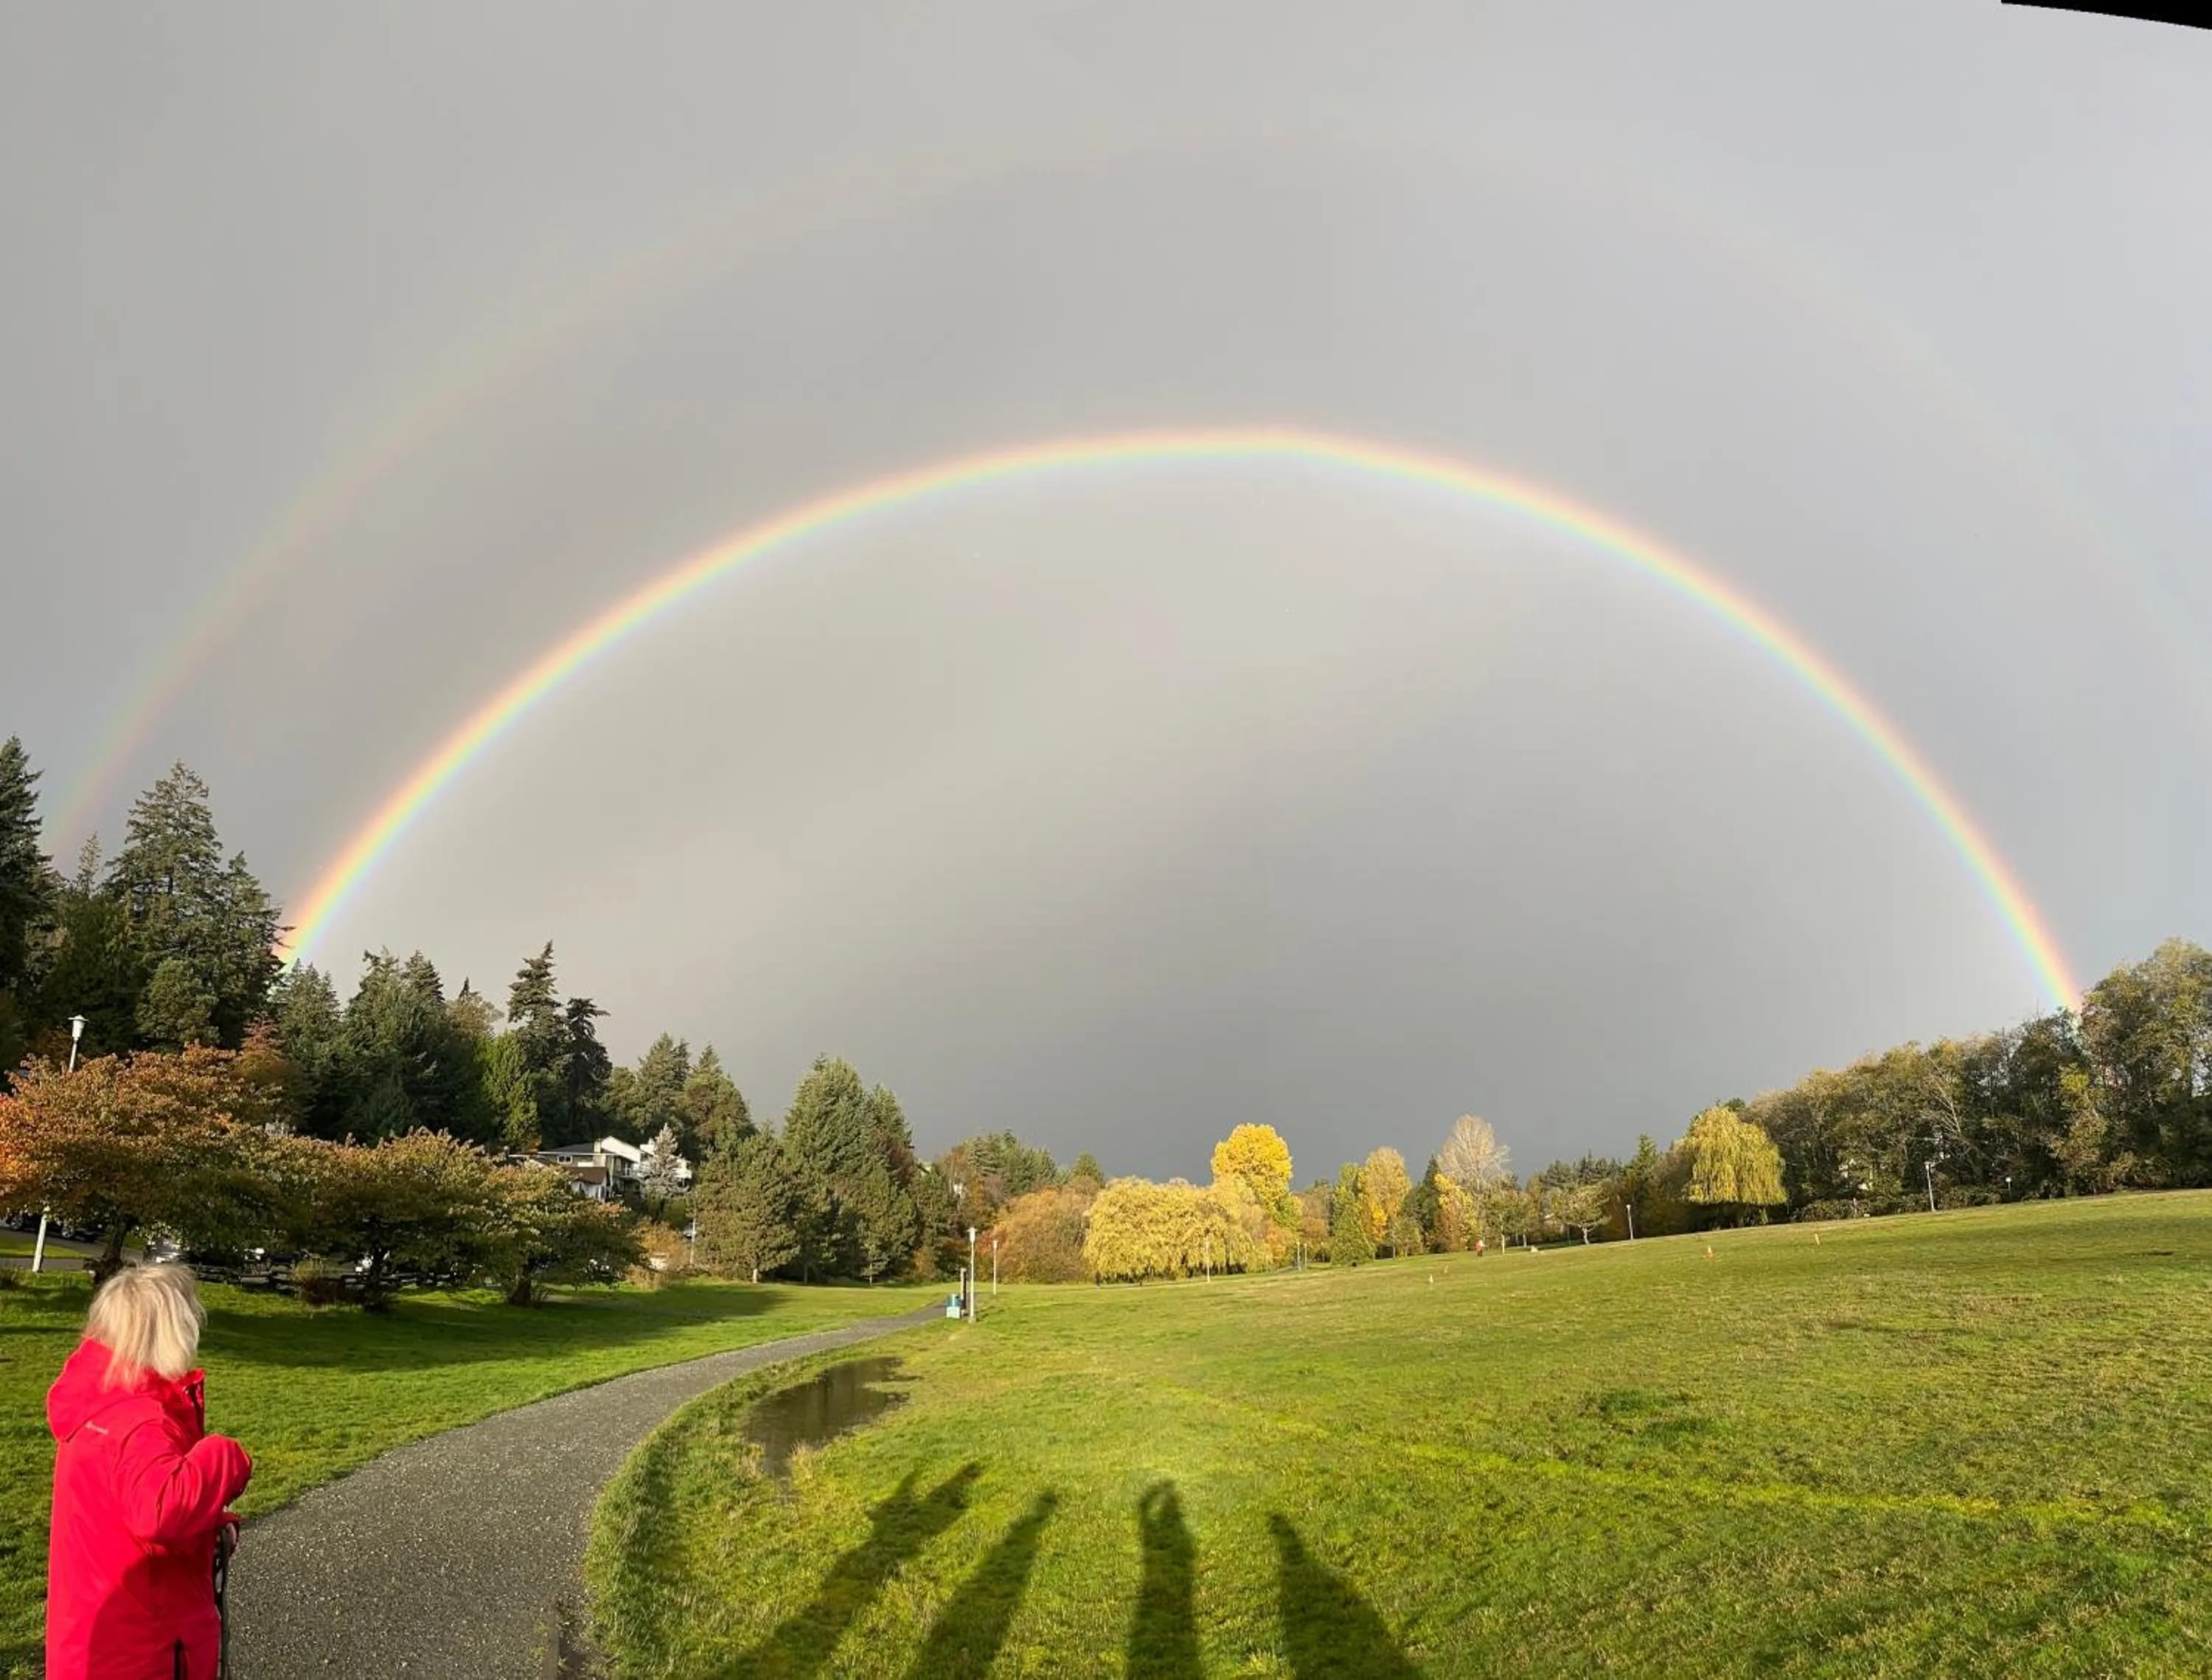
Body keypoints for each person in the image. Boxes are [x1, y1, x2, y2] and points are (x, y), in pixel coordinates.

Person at [46, 1263, 252, 1680]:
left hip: (93, 1634)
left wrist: (210, 1518)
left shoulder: (99, 1403)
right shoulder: (142, 1422)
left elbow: (122, 1506)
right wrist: (224, 1455)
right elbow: (160, 1511)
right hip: (144, 1649)